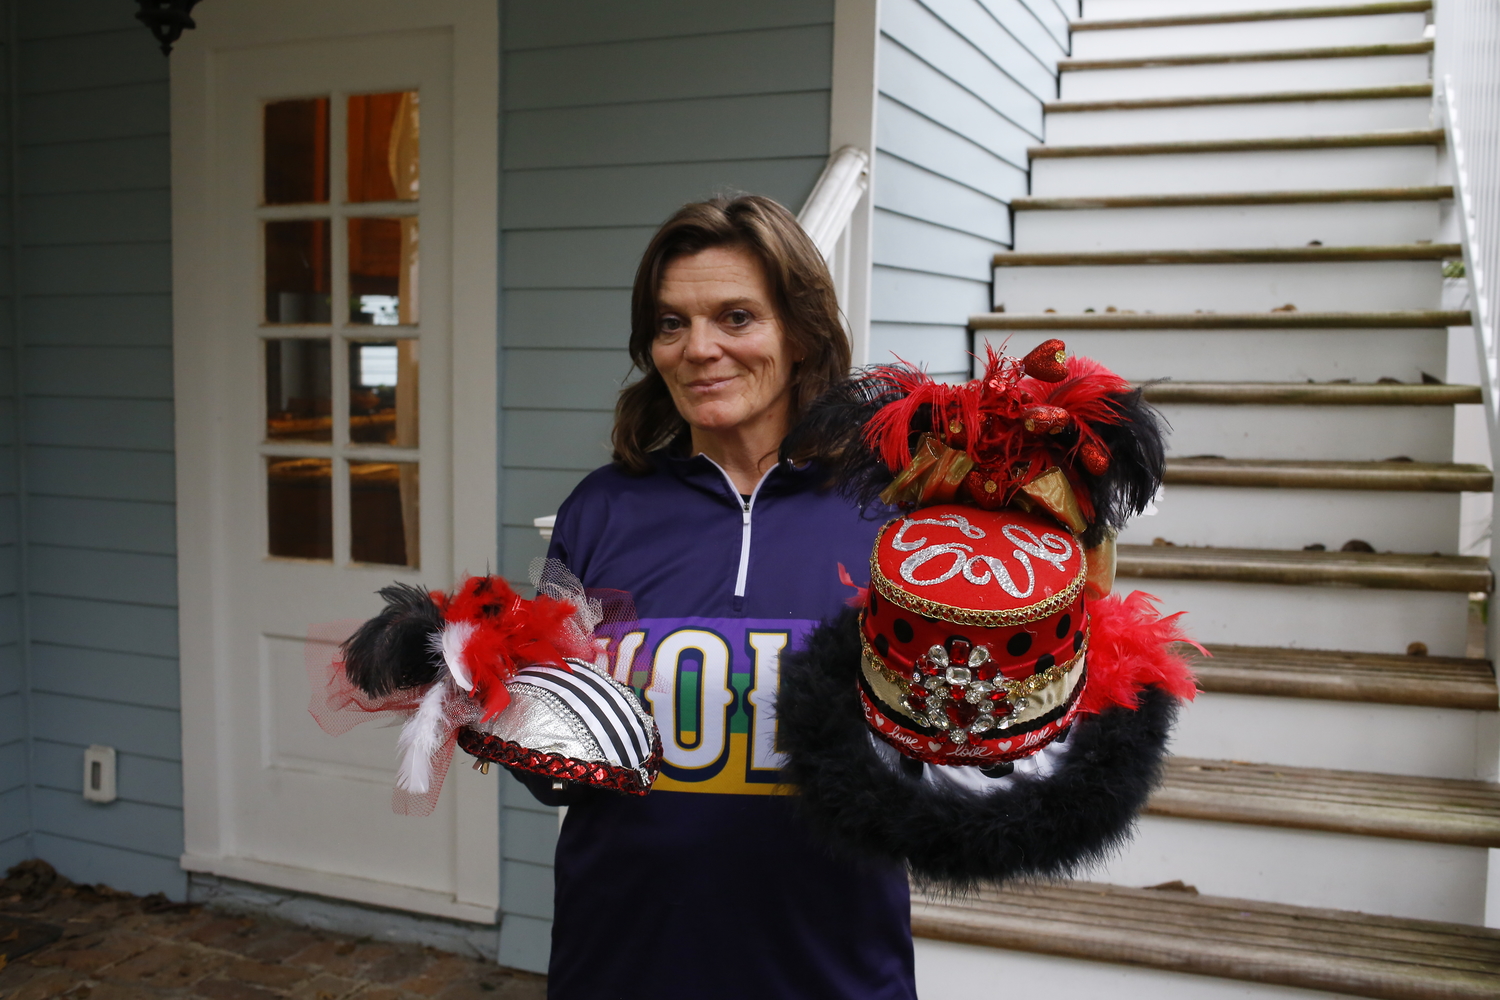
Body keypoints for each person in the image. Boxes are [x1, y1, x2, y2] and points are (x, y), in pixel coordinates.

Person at [531, 195, 918, 999]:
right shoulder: (600, 510)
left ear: (801, 334)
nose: (698, 349)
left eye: (735, 317)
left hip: (831, 968)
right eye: (671, 324)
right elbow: (555, 765)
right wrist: (483, 695)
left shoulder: (893, 513)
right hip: (622, 961)